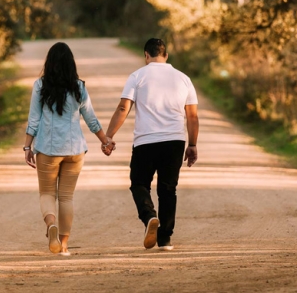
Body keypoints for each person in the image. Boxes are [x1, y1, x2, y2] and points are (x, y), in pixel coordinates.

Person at [103, 37, 199, 251]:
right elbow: (192, 116)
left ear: (146, 55)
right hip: (174, 141)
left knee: (139, 184)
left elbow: (123, 108)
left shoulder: (137, 76)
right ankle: (165, 239)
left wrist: (109, 136)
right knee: (168, 189)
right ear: (166, 55)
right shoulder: (183, 79)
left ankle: (149, 217)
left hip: (145, 142)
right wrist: (192, 145)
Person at [24, 42, 114, 256]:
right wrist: (105, 140)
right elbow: (91, 119)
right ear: (71, 64)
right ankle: (63, 245)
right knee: (66, 197)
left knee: (47, 193)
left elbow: (34, 120)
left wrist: (27, 146)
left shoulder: (40, 86)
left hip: (47, 149)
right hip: (75, 151)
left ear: (49, 63)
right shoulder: (79, 87)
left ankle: (51, 225)